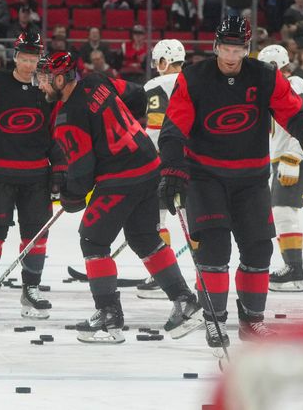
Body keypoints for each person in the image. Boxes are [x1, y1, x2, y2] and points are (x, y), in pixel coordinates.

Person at [158, 16, 303, 351]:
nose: (230, 55)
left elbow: (292, 111)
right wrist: (173, 169)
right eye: (225, 47)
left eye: (237, 48)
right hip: (206, 177)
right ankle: (214, 319)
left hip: (250, 179)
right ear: (215, 45)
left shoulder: (265, 76)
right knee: (214, 249)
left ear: (247, 48)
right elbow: (173, 128)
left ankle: (252, 321)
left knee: (258, 249)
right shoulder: (193, 78)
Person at [34, 50, 202, 344]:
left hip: (121, 179)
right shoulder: (98, 81)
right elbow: (138, 96)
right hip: (150, 166)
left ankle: (108, 314)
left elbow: (83, 171)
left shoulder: (67, 116)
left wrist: (71, 197)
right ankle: (185, 301)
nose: (41, 84)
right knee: (144, 238)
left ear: (61, 78)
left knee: (93, 239)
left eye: (46, 79)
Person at [0, 32, 63, 319]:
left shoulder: (47, 88)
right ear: (16, 56)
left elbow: (56, 132)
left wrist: (59, 165)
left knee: (36, 236)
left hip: (36, 177)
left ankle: (31, 289)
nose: (29, 64)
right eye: (25, 57)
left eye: (34, 58)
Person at [257, 44, 303, 292]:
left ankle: (295, 272)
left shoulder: (294, 83)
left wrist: (292, 156)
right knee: (281, 212)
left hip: (296, 157)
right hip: (285, 158)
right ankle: (293, 269)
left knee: (283, 211)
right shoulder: (279, 88)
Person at [135, 39, 186, 298]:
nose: (157, 67)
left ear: (164, 60)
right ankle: (207, 274)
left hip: (166, 162)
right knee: (195, 221)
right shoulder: (196, 80)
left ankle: (162, 275)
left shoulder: (155, 85)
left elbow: (155, 127)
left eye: (158, 62)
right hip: (196, 163)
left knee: (159, 218)